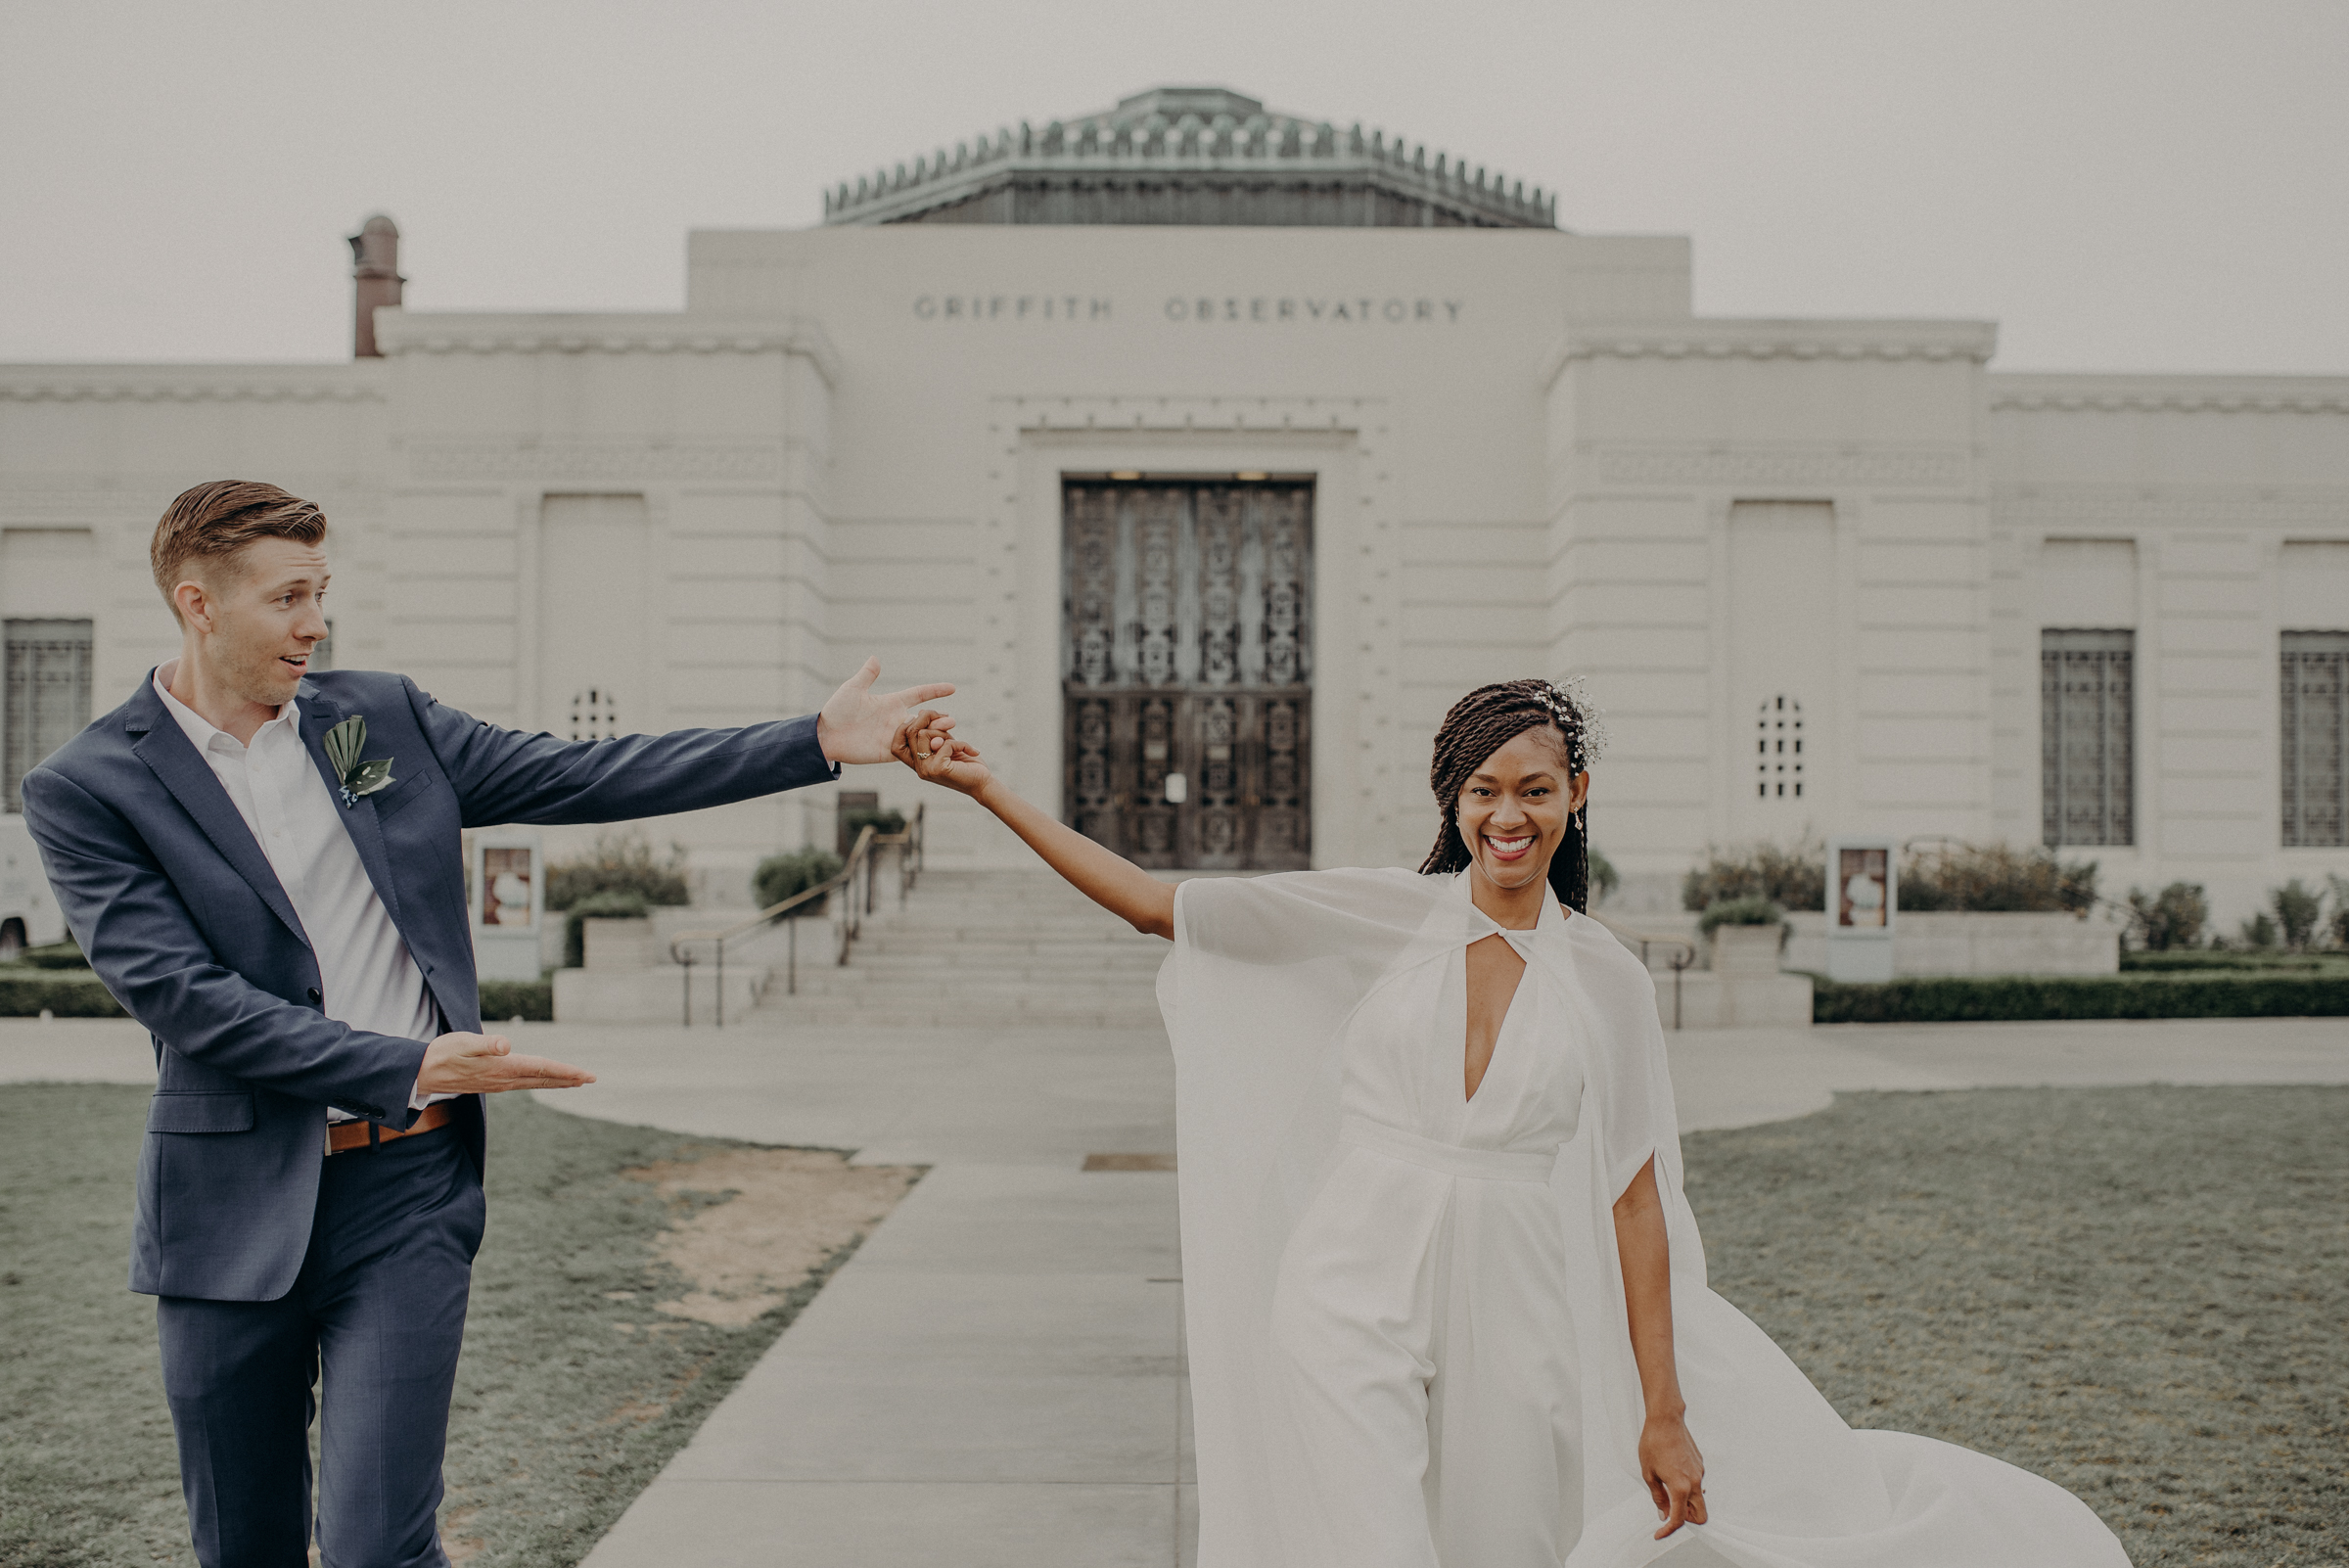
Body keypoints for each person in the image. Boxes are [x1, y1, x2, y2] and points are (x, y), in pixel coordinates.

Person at [893, 678, 2131, 1568]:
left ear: (1575, 795)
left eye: (1535, 789)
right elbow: (1159, 906)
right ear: (1454, 797)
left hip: (1519, 1308)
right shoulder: (1385, 914)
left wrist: (1662, 1408)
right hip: (1349, 1285)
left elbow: (1635, 1201)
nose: (1508, 815)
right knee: (1370, 1543)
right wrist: (985, 785)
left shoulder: (1609, 981)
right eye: (1484, 790)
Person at [22, 480, 958, 1568]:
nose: (316, 625)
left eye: (321, 594)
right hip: (226, 1209)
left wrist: (813, 740)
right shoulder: (88, 786)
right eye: (288, 599)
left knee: (380, 1546)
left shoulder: (380, 719)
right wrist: (408, 1060)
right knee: (245, 1548)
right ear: (198, 604)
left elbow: (589, 771)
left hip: (408, 1196)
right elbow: (182, 998)